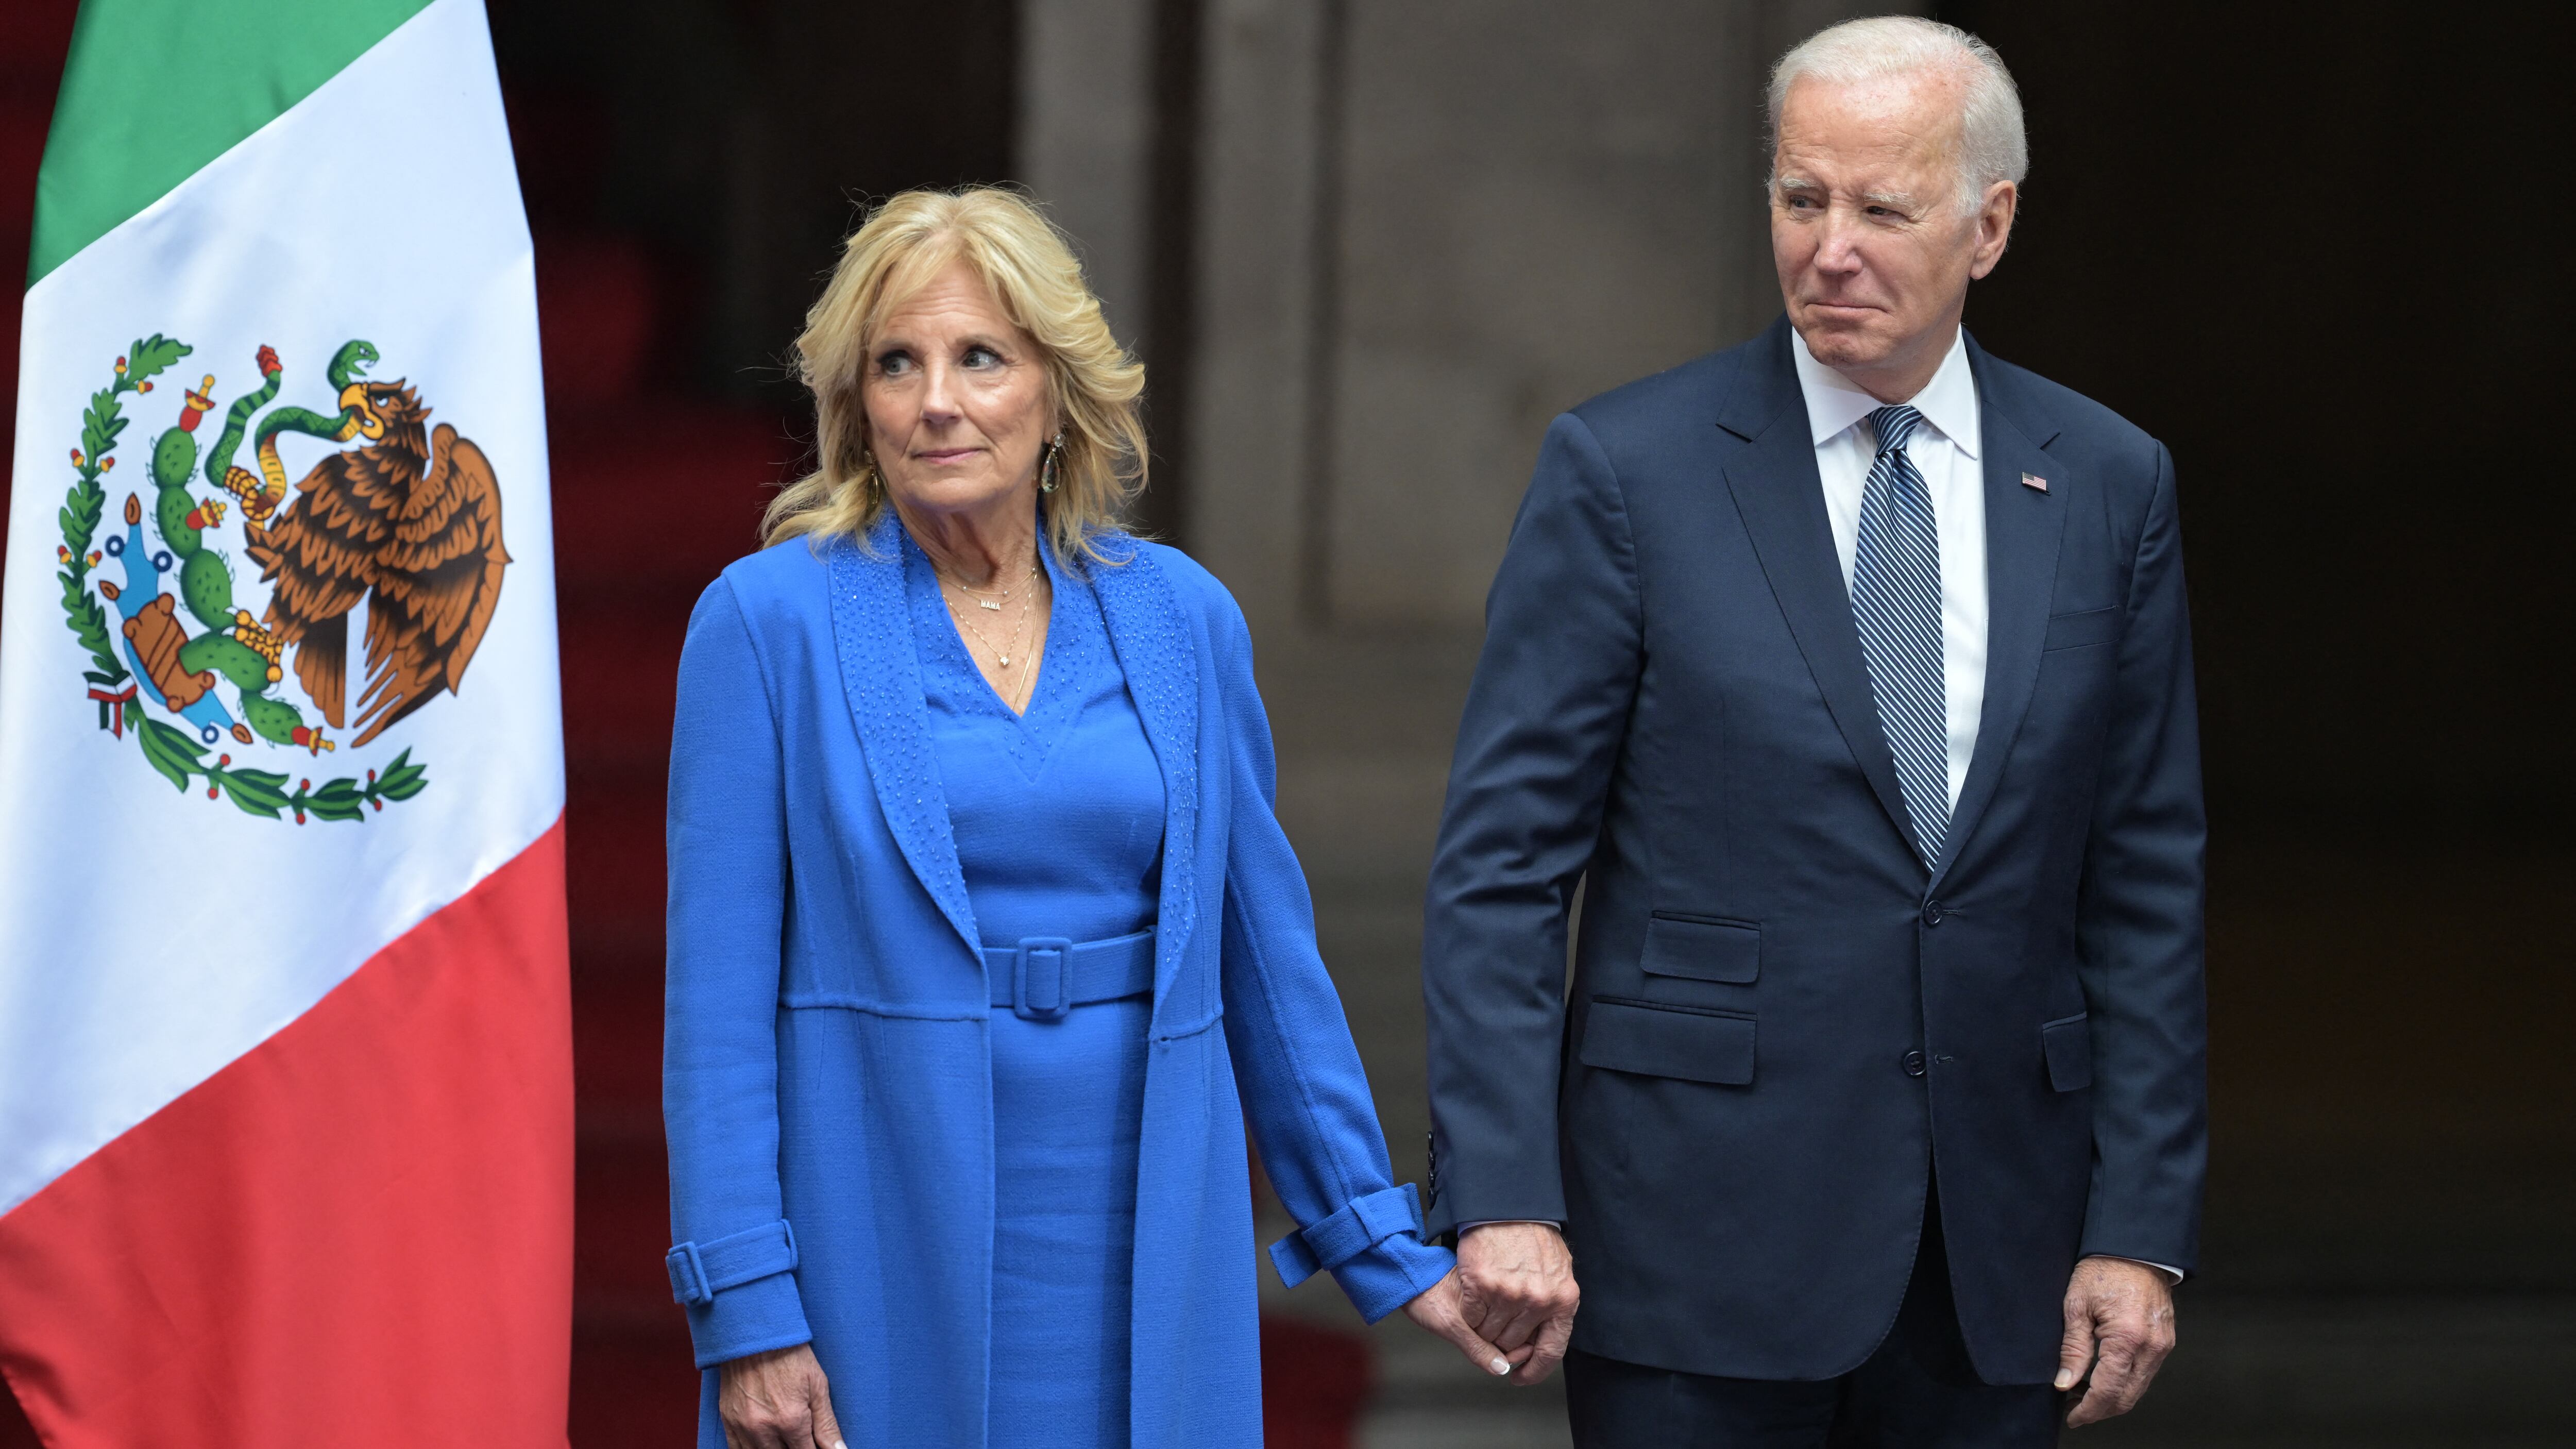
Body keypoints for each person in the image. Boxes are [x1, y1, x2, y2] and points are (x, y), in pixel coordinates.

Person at [1420, 18, 2206, 1446]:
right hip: (1694, 1240)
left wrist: (2139, 1225)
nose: (1828, 246)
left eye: (1881, 207)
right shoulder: (1630, 471)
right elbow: (1505, 868)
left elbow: (2143, 879)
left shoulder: (2104, 482)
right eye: (1800, 198)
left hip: (1997, 1261)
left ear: (1991, 223)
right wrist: (1502, 1188)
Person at [663, 187, 1509, 1449]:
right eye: (897, 363)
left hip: (1140, 1202)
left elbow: (1267, 967)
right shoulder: (765, 622)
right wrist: (748, 1310)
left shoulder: (1183, 617)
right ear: (856, 404)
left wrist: (1375, 1234)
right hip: (876, 1201)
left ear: (1057, 390)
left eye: (979, 357)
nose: (936, 398)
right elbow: (716, 1016)